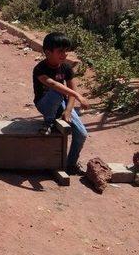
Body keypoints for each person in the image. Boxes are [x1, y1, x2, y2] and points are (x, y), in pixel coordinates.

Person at [33, 32, 90, 175]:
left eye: (66, 51)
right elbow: (52, 84)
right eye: (60, 51)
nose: (64, 54)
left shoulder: (66, 68)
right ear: (48, 52)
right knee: (58, 90)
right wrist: (77, 95)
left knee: (82, 134)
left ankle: (70, 164)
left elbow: (71, 90)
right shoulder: (40, 69)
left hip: (62, 104)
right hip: (44, 104)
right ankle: (49, 122)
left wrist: (69, 110)